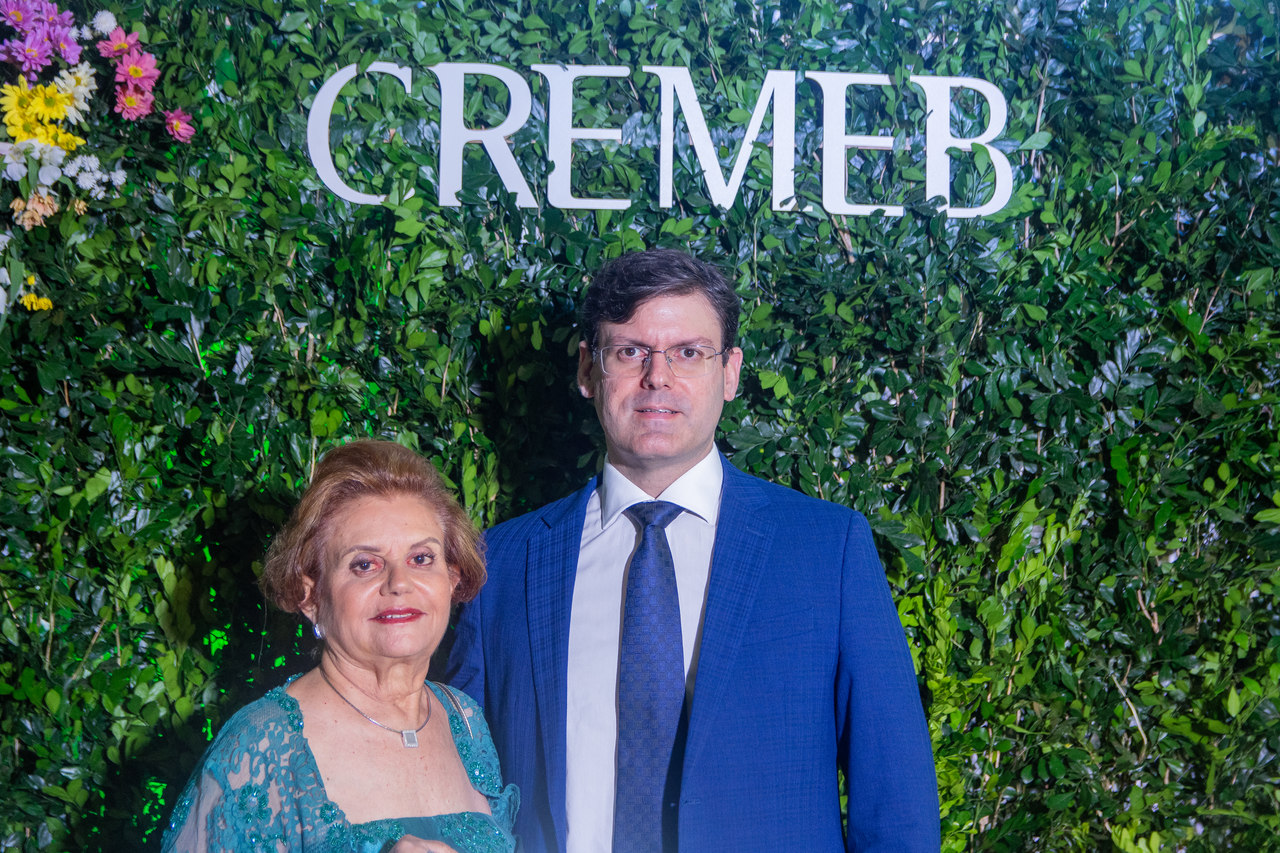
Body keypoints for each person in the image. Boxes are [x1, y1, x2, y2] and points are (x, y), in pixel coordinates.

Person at [440, 248, 940, 852]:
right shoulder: (504, 563)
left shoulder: (826, 550)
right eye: (630, 352)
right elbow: (455, 786)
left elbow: (897, 808)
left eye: (688, 352)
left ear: (730, 372)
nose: (658, 377)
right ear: (588, 370)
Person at [164, 440, 518, 853]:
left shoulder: (465, 720)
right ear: (310, 597)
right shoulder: (262, 746)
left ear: (452, 579)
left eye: (422, 559)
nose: (399, 583)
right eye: (364, 564)